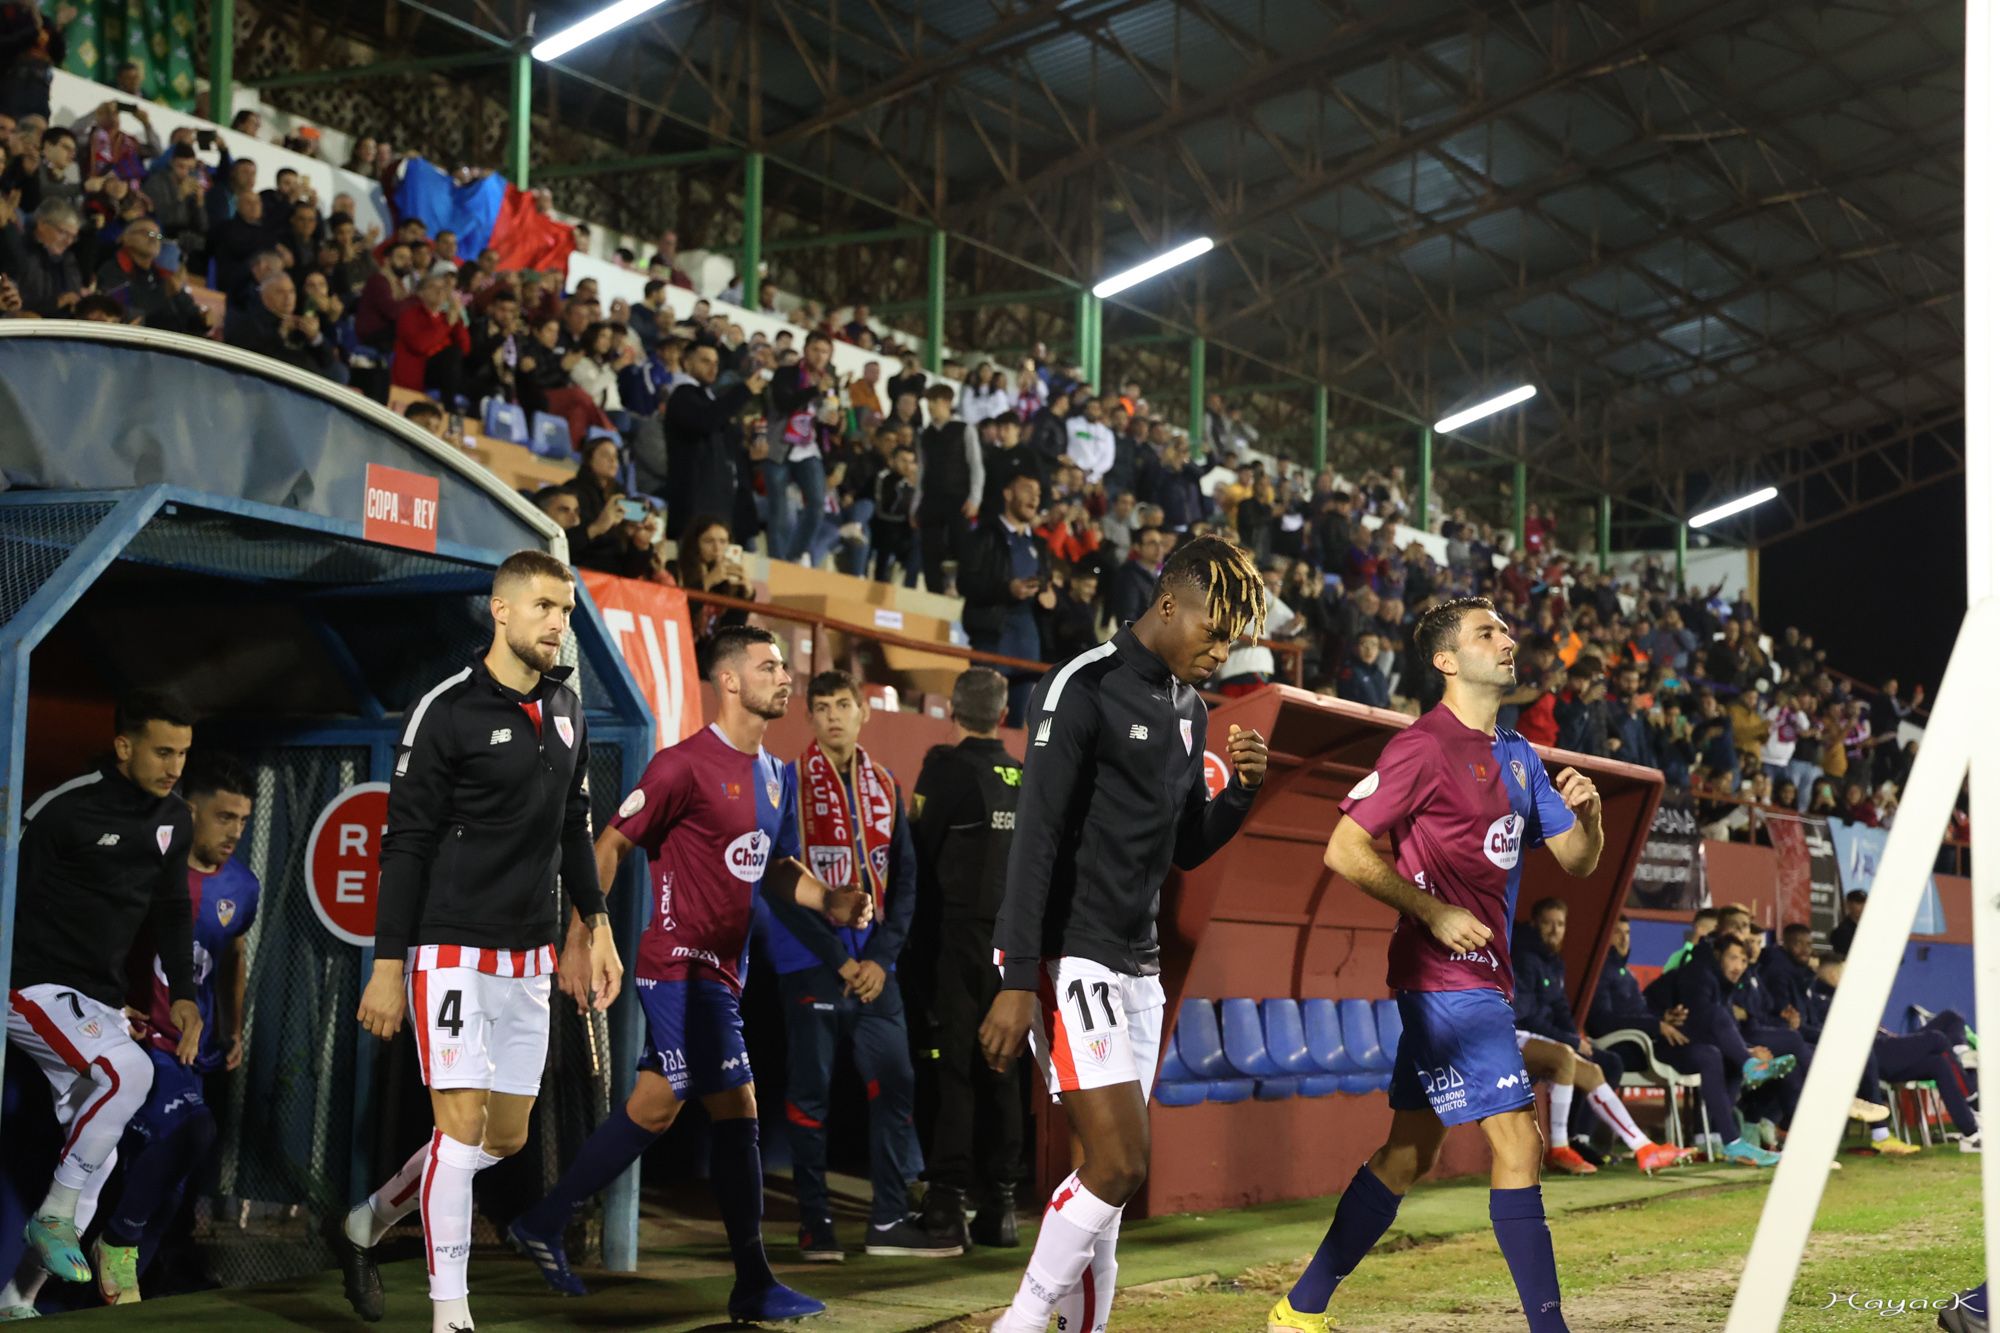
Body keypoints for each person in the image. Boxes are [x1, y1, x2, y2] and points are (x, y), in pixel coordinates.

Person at [507, 626, 867, 1323]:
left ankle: (542, 1221)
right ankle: (754, 1281)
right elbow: (607, 845)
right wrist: (583, 934)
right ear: (729, 680)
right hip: (678, 966)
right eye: (768, 666)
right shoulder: (680, 766)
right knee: (738, 1108)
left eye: (783, 665)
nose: (784, 676)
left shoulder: (775, 773)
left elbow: (773, 863)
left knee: (656, 1102)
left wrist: (828, 898)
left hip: (724, 973)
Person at [1268, 595, 1606, 1333]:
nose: (1508, 638)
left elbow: (1578, 862)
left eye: (1508, 628)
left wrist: (1592, 816)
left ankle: (1299, 1309)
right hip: (1443, 979)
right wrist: (1430, 910)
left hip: (1482, 980)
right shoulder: (1422, 746)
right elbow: (1345, 847)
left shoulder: (1519, 753)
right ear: (1447, 659)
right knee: (1518, 1141)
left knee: (1407, 1153)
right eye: (1488, 631)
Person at [980, 534, 1271, 1333]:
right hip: (1073, 954)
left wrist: (1244, 795)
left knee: (1105, 1187)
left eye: (1232, 638)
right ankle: (1017, 1324)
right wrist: (1015, 977)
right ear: (1168, 604)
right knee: (1119, 1164)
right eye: (1214, 630)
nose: (1221, 649)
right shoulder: (1083, 685)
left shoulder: (1191, 709)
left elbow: (1182, 845)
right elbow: (1033, 838)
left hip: (1139, 966)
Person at [329, 550, 621, 1333]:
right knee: (459, 1135)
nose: (559, 622)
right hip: (451, 950)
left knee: (503, 1136)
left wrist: (596, 927)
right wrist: (389, 967)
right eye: (545, 607)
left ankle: (369, 1219)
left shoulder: (566, 706)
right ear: (500, 611)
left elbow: (573, 825)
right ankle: (450, 1313)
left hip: (528, 956)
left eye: (565, 609)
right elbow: (405, 845)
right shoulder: (447, 709)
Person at [1, 691, 202, 1312]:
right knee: (131, 1071)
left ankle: (16, 1299)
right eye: (162, 751)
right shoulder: (63, 811)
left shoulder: (175, 817)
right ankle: (54, 1217)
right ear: (124, 747)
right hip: (28, 985)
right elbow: (13, 891)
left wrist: (185, 997)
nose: (175, 767)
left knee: (101, 1157)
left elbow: (171, 909)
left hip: (92, 1000)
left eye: (184, 754)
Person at [756, 669, 950, 1260]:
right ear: (809, 718)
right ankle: (816, 1223)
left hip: (876, 971)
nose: (834, 716)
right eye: (822, 707)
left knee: (895, 1084)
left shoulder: (887, 786)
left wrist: (883, 959)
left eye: (844, 705)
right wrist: (839, 959)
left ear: (864, 713)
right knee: (808, 1096)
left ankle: (889, 1221)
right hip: (812, 964)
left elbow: (907, 882)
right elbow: (775, 882)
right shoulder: (786, 784)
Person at [86, 756, 260, 1305]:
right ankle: (106, 1260)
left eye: (243, 820)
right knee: (190, 1135)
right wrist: (113, 1006)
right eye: (224, 816)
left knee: (173, 1180)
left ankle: (118, 1290)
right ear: (190, 811)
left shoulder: (242, 886)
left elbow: (233, 955)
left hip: (194, 1052)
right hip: (141, 1043)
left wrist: (232, 1028)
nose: (234, 831)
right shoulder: (149, 870)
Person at [910, 668, 1025, 1249]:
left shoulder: (945, 770)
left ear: (951, 709)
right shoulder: (1025, 778)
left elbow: (917, 855)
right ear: (1003, 715)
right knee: (1001, 1068)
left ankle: (946, 1204)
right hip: (1015, 948)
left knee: (952, 1065)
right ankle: (1000, 1206)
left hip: (954, 939)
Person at [1511, 898, 1692, 1175]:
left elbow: (1559, 1009)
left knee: (1594, 1071)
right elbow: (1524, 1016)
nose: (1554, 930)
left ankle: (1644, 1148)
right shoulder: (1522, 956)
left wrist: (1573, 1037)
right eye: (1548, 923)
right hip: (1508, 1036)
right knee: (1564, 1056)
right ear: (1534, 924)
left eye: (1560, 924)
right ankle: (1559, 1148)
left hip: (1541, 1038)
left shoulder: (1553, 961)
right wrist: (1570, 1042)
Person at [1586, 915, 1741, 1163]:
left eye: (1627, 932)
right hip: (1629, 1048)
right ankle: (1721, 1138)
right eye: (1617, 932)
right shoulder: (1601, 973)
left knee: (1712, 1054)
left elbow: (1641, 1013)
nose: (1624, 938)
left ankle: (1723, 1138)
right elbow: (1601, 1021)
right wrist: (1655, 1024)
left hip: (1649, 1044)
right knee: (1711, 1049)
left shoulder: (1626, 974)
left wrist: (1664, 1017)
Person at [960, 472, 1054, 726]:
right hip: (993, 638)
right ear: (1008, 493)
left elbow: (1047, 583)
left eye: (1038, 493)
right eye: (1027, 490)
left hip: (1028, 644)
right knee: (982, 720)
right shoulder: (984, 535)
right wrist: (1007, 590)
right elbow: (966, 583)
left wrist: (1049, 596)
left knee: (1016, 726)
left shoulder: (1040, 545)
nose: (1035, 497)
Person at [665, 342, 767, 541]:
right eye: (705, 361)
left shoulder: (708, 400)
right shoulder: (682, 395)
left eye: (716, 363)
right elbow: (706, 420)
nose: (713, 367)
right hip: (695, 504)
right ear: (686, 363)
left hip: (721, 503)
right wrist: (743, 391)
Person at [913, 382, 982, 595]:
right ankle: (934, 593)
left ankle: (963, 592)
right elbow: (922, 471)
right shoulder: (925, 435)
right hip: (931, 499)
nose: (930, 407)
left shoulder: (964, 430)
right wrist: (915, 505)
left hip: (958, 498)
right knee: (929, 551)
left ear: (945, 402)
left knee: (962, 547)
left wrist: (975, 498)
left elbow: (976, 465)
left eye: (933, 402)